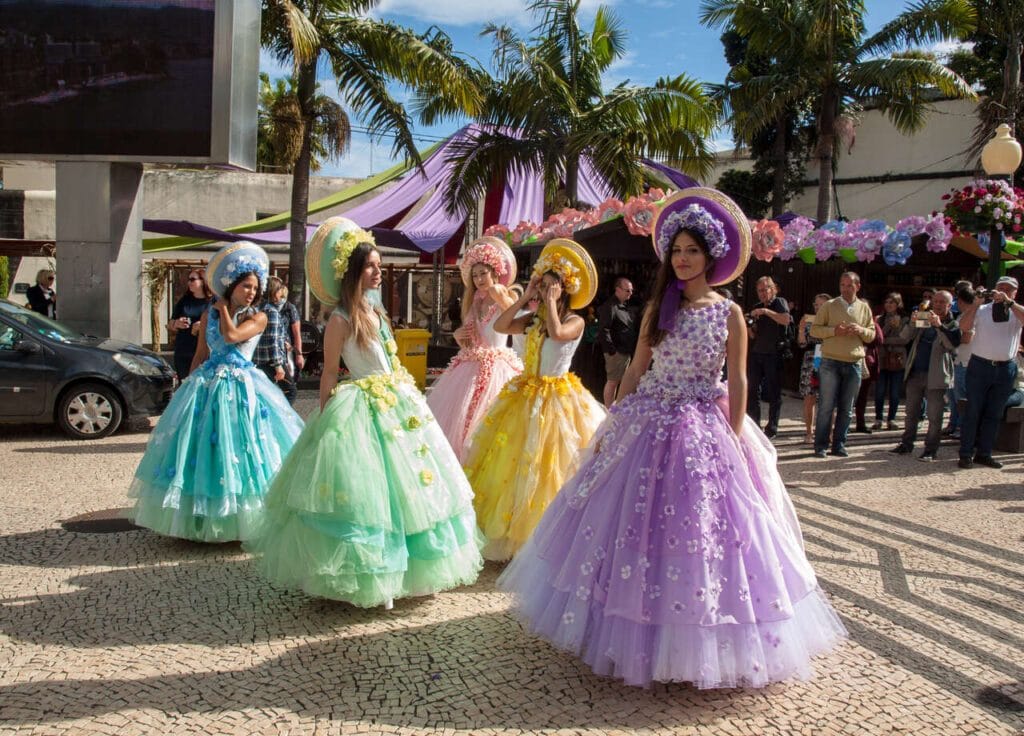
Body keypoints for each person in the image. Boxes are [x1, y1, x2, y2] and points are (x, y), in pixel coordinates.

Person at [497, 188, 846, 689]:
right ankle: (627, 627)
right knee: (632, 522)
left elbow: (741, 379)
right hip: (649, 418)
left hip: (704, 423)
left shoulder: (727, 313)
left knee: (701, 532)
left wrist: (735, 437)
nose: (682, 260)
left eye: (692, 252)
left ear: (711, 257)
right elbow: (639, 365)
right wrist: (616, 419)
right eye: (677, 251)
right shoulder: (659, 304)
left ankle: (695, 635)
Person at [246, 218, 483, 608]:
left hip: (399, 403)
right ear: (353, 271)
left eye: (378, 265)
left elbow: (390, 362)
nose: (377, 272)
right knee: (371, 496)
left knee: (415, 489)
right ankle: (370, 573)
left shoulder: (377, 314)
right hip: (362, 407)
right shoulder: (340, 319)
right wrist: (324, 420)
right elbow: (328, 372)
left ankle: (412, 572)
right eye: (371, 266)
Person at [129, 242, 304, 542]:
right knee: (201, 449)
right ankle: (200, 518)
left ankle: (245, 520)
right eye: (245, 286)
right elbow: (202, 351)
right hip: (207, 384)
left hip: (243, 385)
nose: (251, 292)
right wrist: (188, 380)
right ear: (232, 285)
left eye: (255, 287)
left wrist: (222, 309)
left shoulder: (259, 316)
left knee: (242, 448)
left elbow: (232, 336)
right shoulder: (212, 313)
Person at [463, 239, 607, 561]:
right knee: (514, 465)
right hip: (525, 394)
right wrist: (526, 298)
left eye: (550, 287)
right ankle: (513, 537)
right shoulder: (533, 318)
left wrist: (552, 303)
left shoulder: (576, 320)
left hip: (559, 397)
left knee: (551, 466)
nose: (544, 292)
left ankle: (549, 539)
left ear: (563, 290)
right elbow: (501, 325)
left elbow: (557, 333)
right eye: (542, 286)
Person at [427, 237, 522, 461]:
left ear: (495, 272)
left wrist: (503, 299)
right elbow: (471, 340)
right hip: (470, 364)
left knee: (489, 420)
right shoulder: (474, 300)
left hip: (498, 365)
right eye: (475, 275)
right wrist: (459, 336)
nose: (479, 279)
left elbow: (516, 322)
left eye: (483, 273)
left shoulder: (502, 294)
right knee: (460, 420)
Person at [957, 275, 1024, 469]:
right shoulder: (983, 310)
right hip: (980, 365)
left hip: (1006, 368)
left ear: (1015, 292)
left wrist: (1009, 302)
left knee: (994, 413)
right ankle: (966, 453)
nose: (1003, 292)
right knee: (973, 410)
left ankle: (984, 453)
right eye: (1000, 288)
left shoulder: (1016, 311)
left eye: (1008, 289)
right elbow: (964, 326)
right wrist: (976, 304)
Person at [810, 272, 876, 458]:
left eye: (849, 285)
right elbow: (815, 329)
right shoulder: (830, 306)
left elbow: (872, 335)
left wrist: (861, 330)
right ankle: (820, 445)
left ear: (857, 286)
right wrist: (834, 331)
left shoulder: (864, 308)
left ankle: (839, 445)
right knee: (826, 406)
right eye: (843, 285)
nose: (846, 289)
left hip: (854, 362)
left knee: (847, 409)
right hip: (830, 360)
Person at [889, 290, 960, 461]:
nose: (937, 304)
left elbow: (952, 345)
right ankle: (906, 444)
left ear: (949, 305)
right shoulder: (924, 318)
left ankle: (931, 449)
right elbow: (905, 337)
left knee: (935, 415)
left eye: (942, 302)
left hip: (936, 376)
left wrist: (939, 326)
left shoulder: (952, 324)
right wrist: (913, 323)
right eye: (935, 301)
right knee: (911, 412)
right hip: (916, 372)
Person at [745, 276, 792, 438]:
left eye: (766, 289)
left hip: (774, 354)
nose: (763, 293)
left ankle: (772, 427)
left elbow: (786, 320)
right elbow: (752, 335)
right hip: (757, 353)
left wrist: (765, 311)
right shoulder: (756, 307)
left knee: (773, 391)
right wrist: (749, 325)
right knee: (752, 390)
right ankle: (755, 424)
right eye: (760, 290)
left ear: (773, 289)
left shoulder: (779, 302)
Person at [597, 277, 641, 405]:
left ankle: (615, 407)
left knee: (620, 381)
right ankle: (609, 409)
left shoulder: (622, 306)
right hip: (617, 351)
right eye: (627, 290)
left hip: (624, 350)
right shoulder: (610, 306)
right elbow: (604, 329)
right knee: (612, 382)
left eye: (631, 291)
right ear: (618, 290)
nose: (630, 293)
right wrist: (612, 351)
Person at [255, 277, 297, 404]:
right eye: (279, 289)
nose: (282, 292)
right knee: (291, 391)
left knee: (268, 393)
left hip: (260, 360)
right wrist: (278, 366)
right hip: (271, 362)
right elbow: (272, 340)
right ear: (274, 292)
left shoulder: (259, 309)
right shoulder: (271, 312)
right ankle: (281, 419)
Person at [167, 268, 213, 381]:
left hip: (204, 351)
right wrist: (176, 323)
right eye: (188, 279)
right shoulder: (185, 300)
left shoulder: (213, 302)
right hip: (183, 349)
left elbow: (220, 324)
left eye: (192, 279)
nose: (189, 282)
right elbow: (170, 324)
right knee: (184, 384)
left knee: (201, 384)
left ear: (203, 281)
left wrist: (203, 325)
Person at [873, 292, 910, 430]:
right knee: (880, 391)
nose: (889, 305)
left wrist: (886, 341)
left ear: (898, 304)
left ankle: (892, 419)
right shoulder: (879, 319)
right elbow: (877, 337)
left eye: (892, 302)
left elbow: (904, 339)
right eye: (887, 302)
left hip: (898, 358)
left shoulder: (905, 319)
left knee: (895, 392)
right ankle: (878, 418)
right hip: (882, 358)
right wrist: (888, 325)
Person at [797, 294, 830, 444]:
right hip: (812, 358)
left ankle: (827, 432)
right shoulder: (809, 321)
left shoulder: (833, 321)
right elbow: (802, 344)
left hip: (829, 358)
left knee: (828, 399)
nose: (818, 307)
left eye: (821, 305)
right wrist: (801, 330)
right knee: (809, 397)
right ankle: (809, 432)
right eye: (816, 305)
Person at [853, 312, 884, 434]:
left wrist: (863, 333)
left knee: (862, 395)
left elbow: (879, 340)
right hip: (848, 359)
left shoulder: (872, 324)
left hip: (866, 362)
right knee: (847, 395)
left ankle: (860, 424)